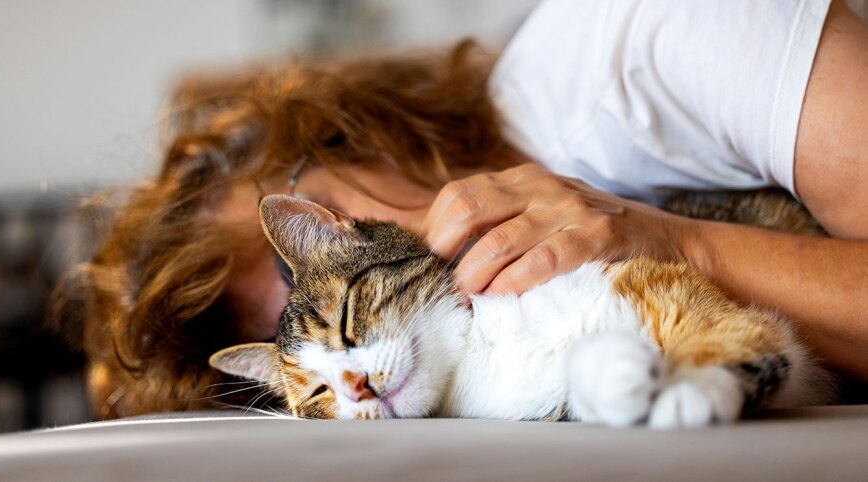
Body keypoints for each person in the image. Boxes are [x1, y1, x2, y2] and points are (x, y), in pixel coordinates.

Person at [75, 0, 868, 419]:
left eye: (315, 223)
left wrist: (677, 247)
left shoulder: (649, 39)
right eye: (300, 344)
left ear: (355, 134)